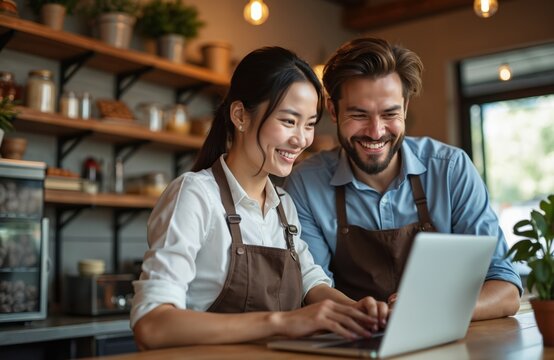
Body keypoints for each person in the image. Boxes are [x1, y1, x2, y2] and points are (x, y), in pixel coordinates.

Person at [131, 46, 389, 350]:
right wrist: (283, 322)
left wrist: (360, 312)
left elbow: (311, 282)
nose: (302, 139)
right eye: (289, 121)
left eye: (309, 124)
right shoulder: (195, 195)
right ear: (240, 115)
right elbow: (152, 324)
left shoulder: (283, 204)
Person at [284, 37, 522, 321]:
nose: (375, 132)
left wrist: (435, 311)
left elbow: (506, 290)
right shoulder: (305, 185)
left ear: (405, 107)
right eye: (359, 114)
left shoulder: (451, 170)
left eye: (389, 114)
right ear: (333, 110)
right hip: (356, 340)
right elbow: (313, 289)